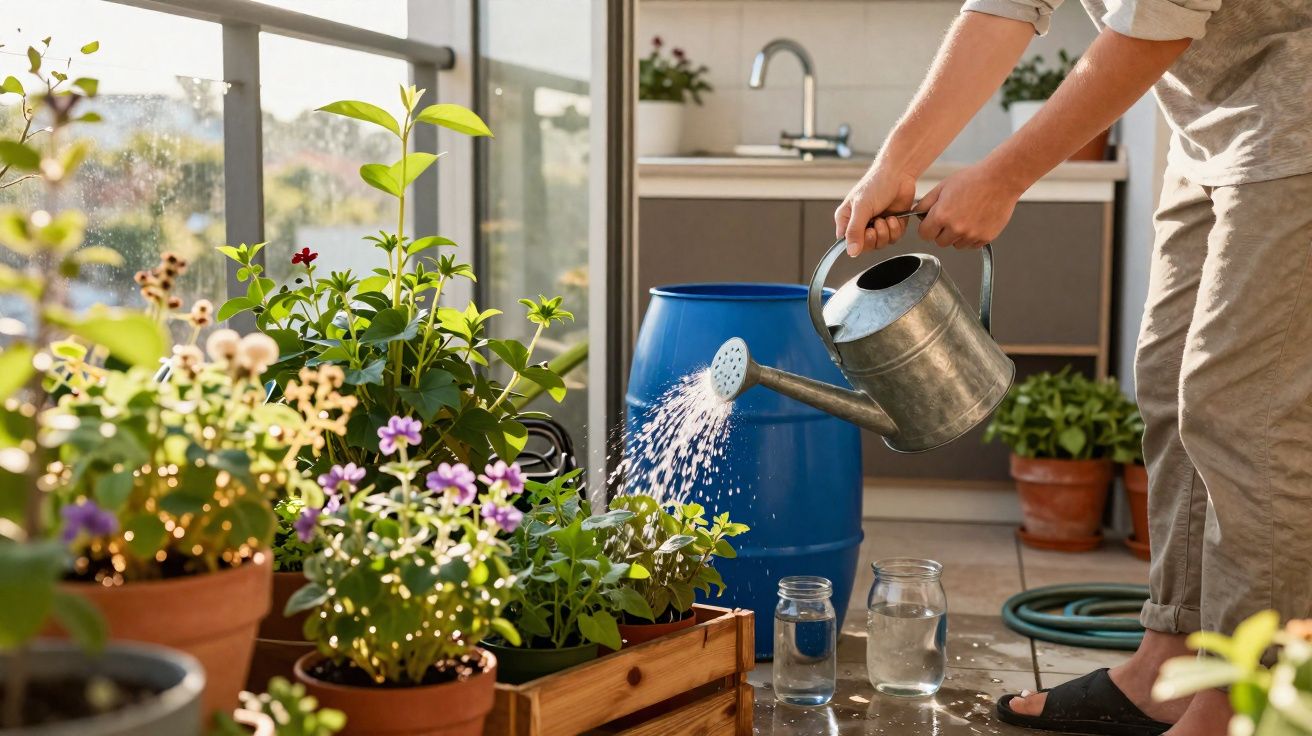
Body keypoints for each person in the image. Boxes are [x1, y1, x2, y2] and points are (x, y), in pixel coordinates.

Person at [835, 1, 1312, 734]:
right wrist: (895, 161)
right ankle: (1168, 663)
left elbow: (1157, 21)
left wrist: (1003, 176)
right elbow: (1006, 5)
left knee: (1247, 413)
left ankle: (1246, 702)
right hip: (1212, 132)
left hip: (1296, 123)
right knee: (1168, 387)